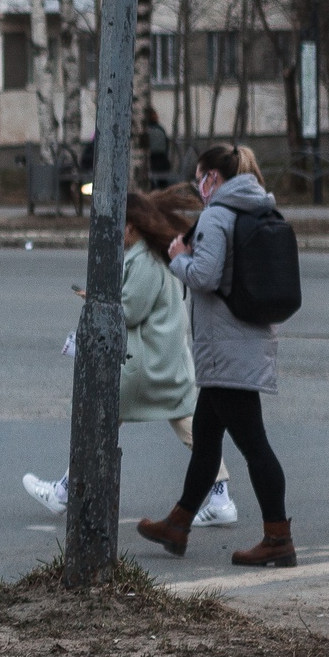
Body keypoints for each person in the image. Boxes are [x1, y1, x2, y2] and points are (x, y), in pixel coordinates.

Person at [21, 189, 229, 524]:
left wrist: (98, 302)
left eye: (115, 227)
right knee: (190, 425)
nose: (110, 235)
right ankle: (220, 498)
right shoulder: (150, 255)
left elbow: (129, 311)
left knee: (99, 420)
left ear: (130, 228)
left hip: (144, 365)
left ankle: (62, 492)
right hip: (165, 362)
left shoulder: (144, 259)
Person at [138, 144, 295, 567]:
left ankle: (278, 538)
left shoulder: (217, 216)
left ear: (213, 178)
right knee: (206, 441)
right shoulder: (255, 209)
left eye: (200, 177)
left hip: (226, 352)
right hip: (242, 343)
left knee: (254, 445)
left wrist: (177, 259)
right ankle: (179, 524)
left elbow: (204, 276)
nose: (198, 186)